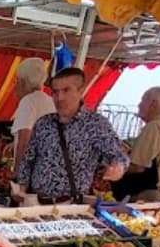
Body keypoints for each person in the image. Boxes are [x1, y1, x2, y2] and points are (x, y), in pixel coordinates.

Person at [15, 66, 127, 203]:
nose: (59, 97)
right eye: (55, 92)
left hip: (69, 206)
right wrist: (21, 187)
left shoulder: (96, 124)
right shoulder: (43, 123)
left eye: (66, 90)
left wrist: (117, 167)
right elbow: (28, 159)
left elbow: (118, 154)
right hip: (36, 204)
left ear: (80, 91)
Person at [113, 86, 160, 201]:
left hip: (141, 194)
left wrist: (112, 168)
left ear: (153, 104)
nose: (139, 105)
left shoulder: (153, 127)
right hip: (155, 191)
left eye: (142, 100)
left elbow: (138, 166)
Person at [11, 57, 55, 169]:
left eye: (16, 81)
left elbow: (25, 140)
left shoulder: (28, 101)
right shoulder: (50, 101)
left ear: (23, 82)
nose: (14, 86)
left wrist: (18, 171)